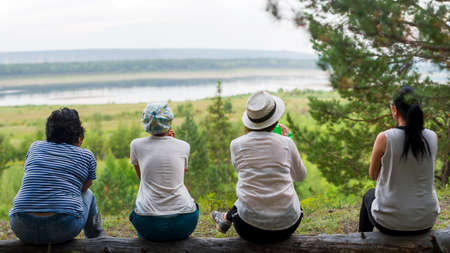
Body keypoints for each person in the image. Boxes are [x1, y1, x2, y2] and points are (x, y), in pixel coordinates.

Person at [211, 91, 307, 242]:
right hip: (287, 226)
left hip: (249, 228)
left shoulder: (236, 144)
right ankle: (225, 217)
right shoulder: (287, 143)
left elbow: (242, 172)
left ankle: (225, 217)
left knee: (246, 193)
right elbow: (300, 176)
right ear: (275, 120)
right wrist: (286, 141)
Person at [9, 108, 104, 245]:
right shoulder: (86, 155)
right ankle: (97, 240)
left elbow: (31, 173)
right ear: (79, 137)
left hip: (21, 225)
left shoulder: (35, 147)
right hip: (63, 226)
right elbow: (85, 187)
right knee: (89, 195)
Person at [359, 86, 440, 235]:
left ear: (395, 110)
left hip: (391, 222)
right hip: (426, 219)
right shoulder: (432, 137)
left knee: (369, 195)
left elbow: (373, 175)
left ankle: (362, 241)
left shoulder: (385, 138)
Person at [129, 103, 198, 241]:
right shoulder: (183, 146)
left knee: (140, 222)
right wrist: (171, 142)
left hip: (148, 222)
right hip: (184, 221)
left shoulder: (136, 145)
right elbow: (178, 176)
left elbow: (142, 177)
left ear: (146, 123)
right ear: (169, 123)